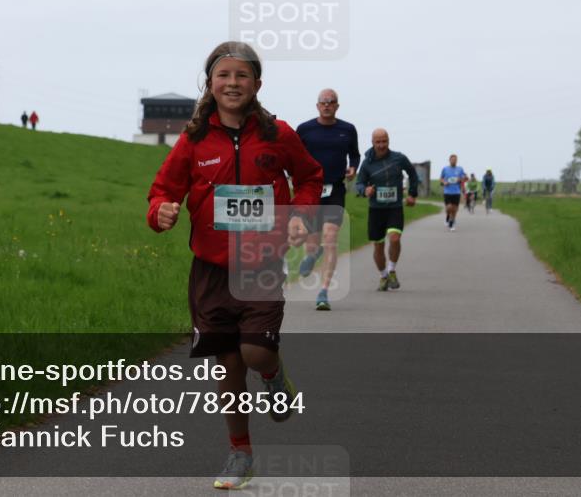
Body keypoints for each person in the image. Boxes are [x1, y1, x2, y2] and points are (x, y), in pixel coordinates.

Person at [146, 42, 323, 490]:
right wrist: (161, 212)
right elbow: (162, 190)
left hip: (260, 263)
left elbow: (309, 178)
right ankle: (239, 454)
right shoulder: (193, 140)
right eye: (223, 75)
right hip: (210, 269)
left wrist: (301, 215)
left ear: (257, 84)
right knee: (228, 365)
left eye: (242, 76)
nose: (232, 83)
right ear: (210, 83)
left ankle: (274, 373)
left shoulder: (279, 134)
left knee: (255, 352)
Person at [295, 88, 360, 311]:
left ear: (337, 106)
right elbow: (294, 154)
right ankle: (313, 255)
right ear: (317, 105)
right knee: (311, 243)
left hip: (335, 190)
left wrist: (353, 167)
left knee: (331, 237)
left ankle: (323, 291)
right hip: (311, 190)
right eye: (323, 102)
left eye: (331, 102)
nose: (327, 105)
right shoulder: (304, 129)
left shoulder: (347, 129)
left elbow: (355, 154)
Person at [355, 129, 418, 291]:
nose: (382, 145)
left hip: (394, 207)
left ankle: (391, 270)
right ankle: (383, 275)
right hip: (376, 209)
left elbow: (412, 173)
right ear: (372, 142)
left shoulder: (398, 158)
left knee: (395, 238)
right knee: (378, 246)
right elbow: (359, 183)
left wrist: (412, 194)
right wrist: (365, 190)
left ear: (389, 141)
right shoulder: (367, 163)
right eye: (378, 142)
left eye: (384, 141)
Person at [440, 154, 466, 231]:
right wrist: (444, 182)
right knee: (448, 207)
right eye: (452, 159)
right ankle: (448, 216)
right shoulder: (445, 169)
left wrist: (460, 179)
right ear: (449, 160)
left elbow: (463, 178)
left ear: (456, 161)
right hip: (447, 191)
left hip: (456, 191)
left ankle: (452, 222)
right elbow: (441, 178)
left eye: (455, 160)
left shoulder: (460, 169)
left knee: (455, 209)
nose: (454, 161)